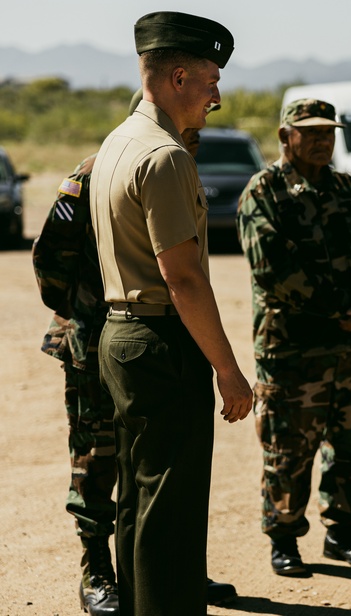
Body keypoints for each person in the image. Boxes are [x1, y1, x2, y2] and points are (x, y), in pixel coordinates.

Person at [33, 89, 236, 615]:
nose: (196, 133)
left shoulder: (173, 163)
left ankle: (159, 575)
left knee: (154, 472)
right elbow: (49, 258)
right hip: (94, 336)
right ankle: (97, 569)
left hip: (134, 336)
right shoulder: (98, 169)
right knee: (98, 459)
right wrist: (83, 316)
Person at [89, 12, 253, 615]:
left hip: (122, 334)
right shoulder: (164, 157)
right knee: (172, 509)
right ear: (178, 76)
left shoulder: (116, 143)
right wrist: (229, 371)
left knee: (139, 496)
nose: (217, 93)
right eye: (210, 78)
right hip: (160, 338)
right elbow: (181, 276)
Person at [237, 98, 351, 576]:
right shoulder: (264, 192)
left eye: (330, 133)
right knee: (289, 449)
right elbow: (271, 268)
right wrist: (335, 310)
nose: (324, 141)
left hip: (349, 348)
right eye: (312, 133)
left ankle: (342, 531)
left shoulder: (348, 189)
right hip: (292, 349)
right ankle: (284, 538)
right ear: (286, 137)